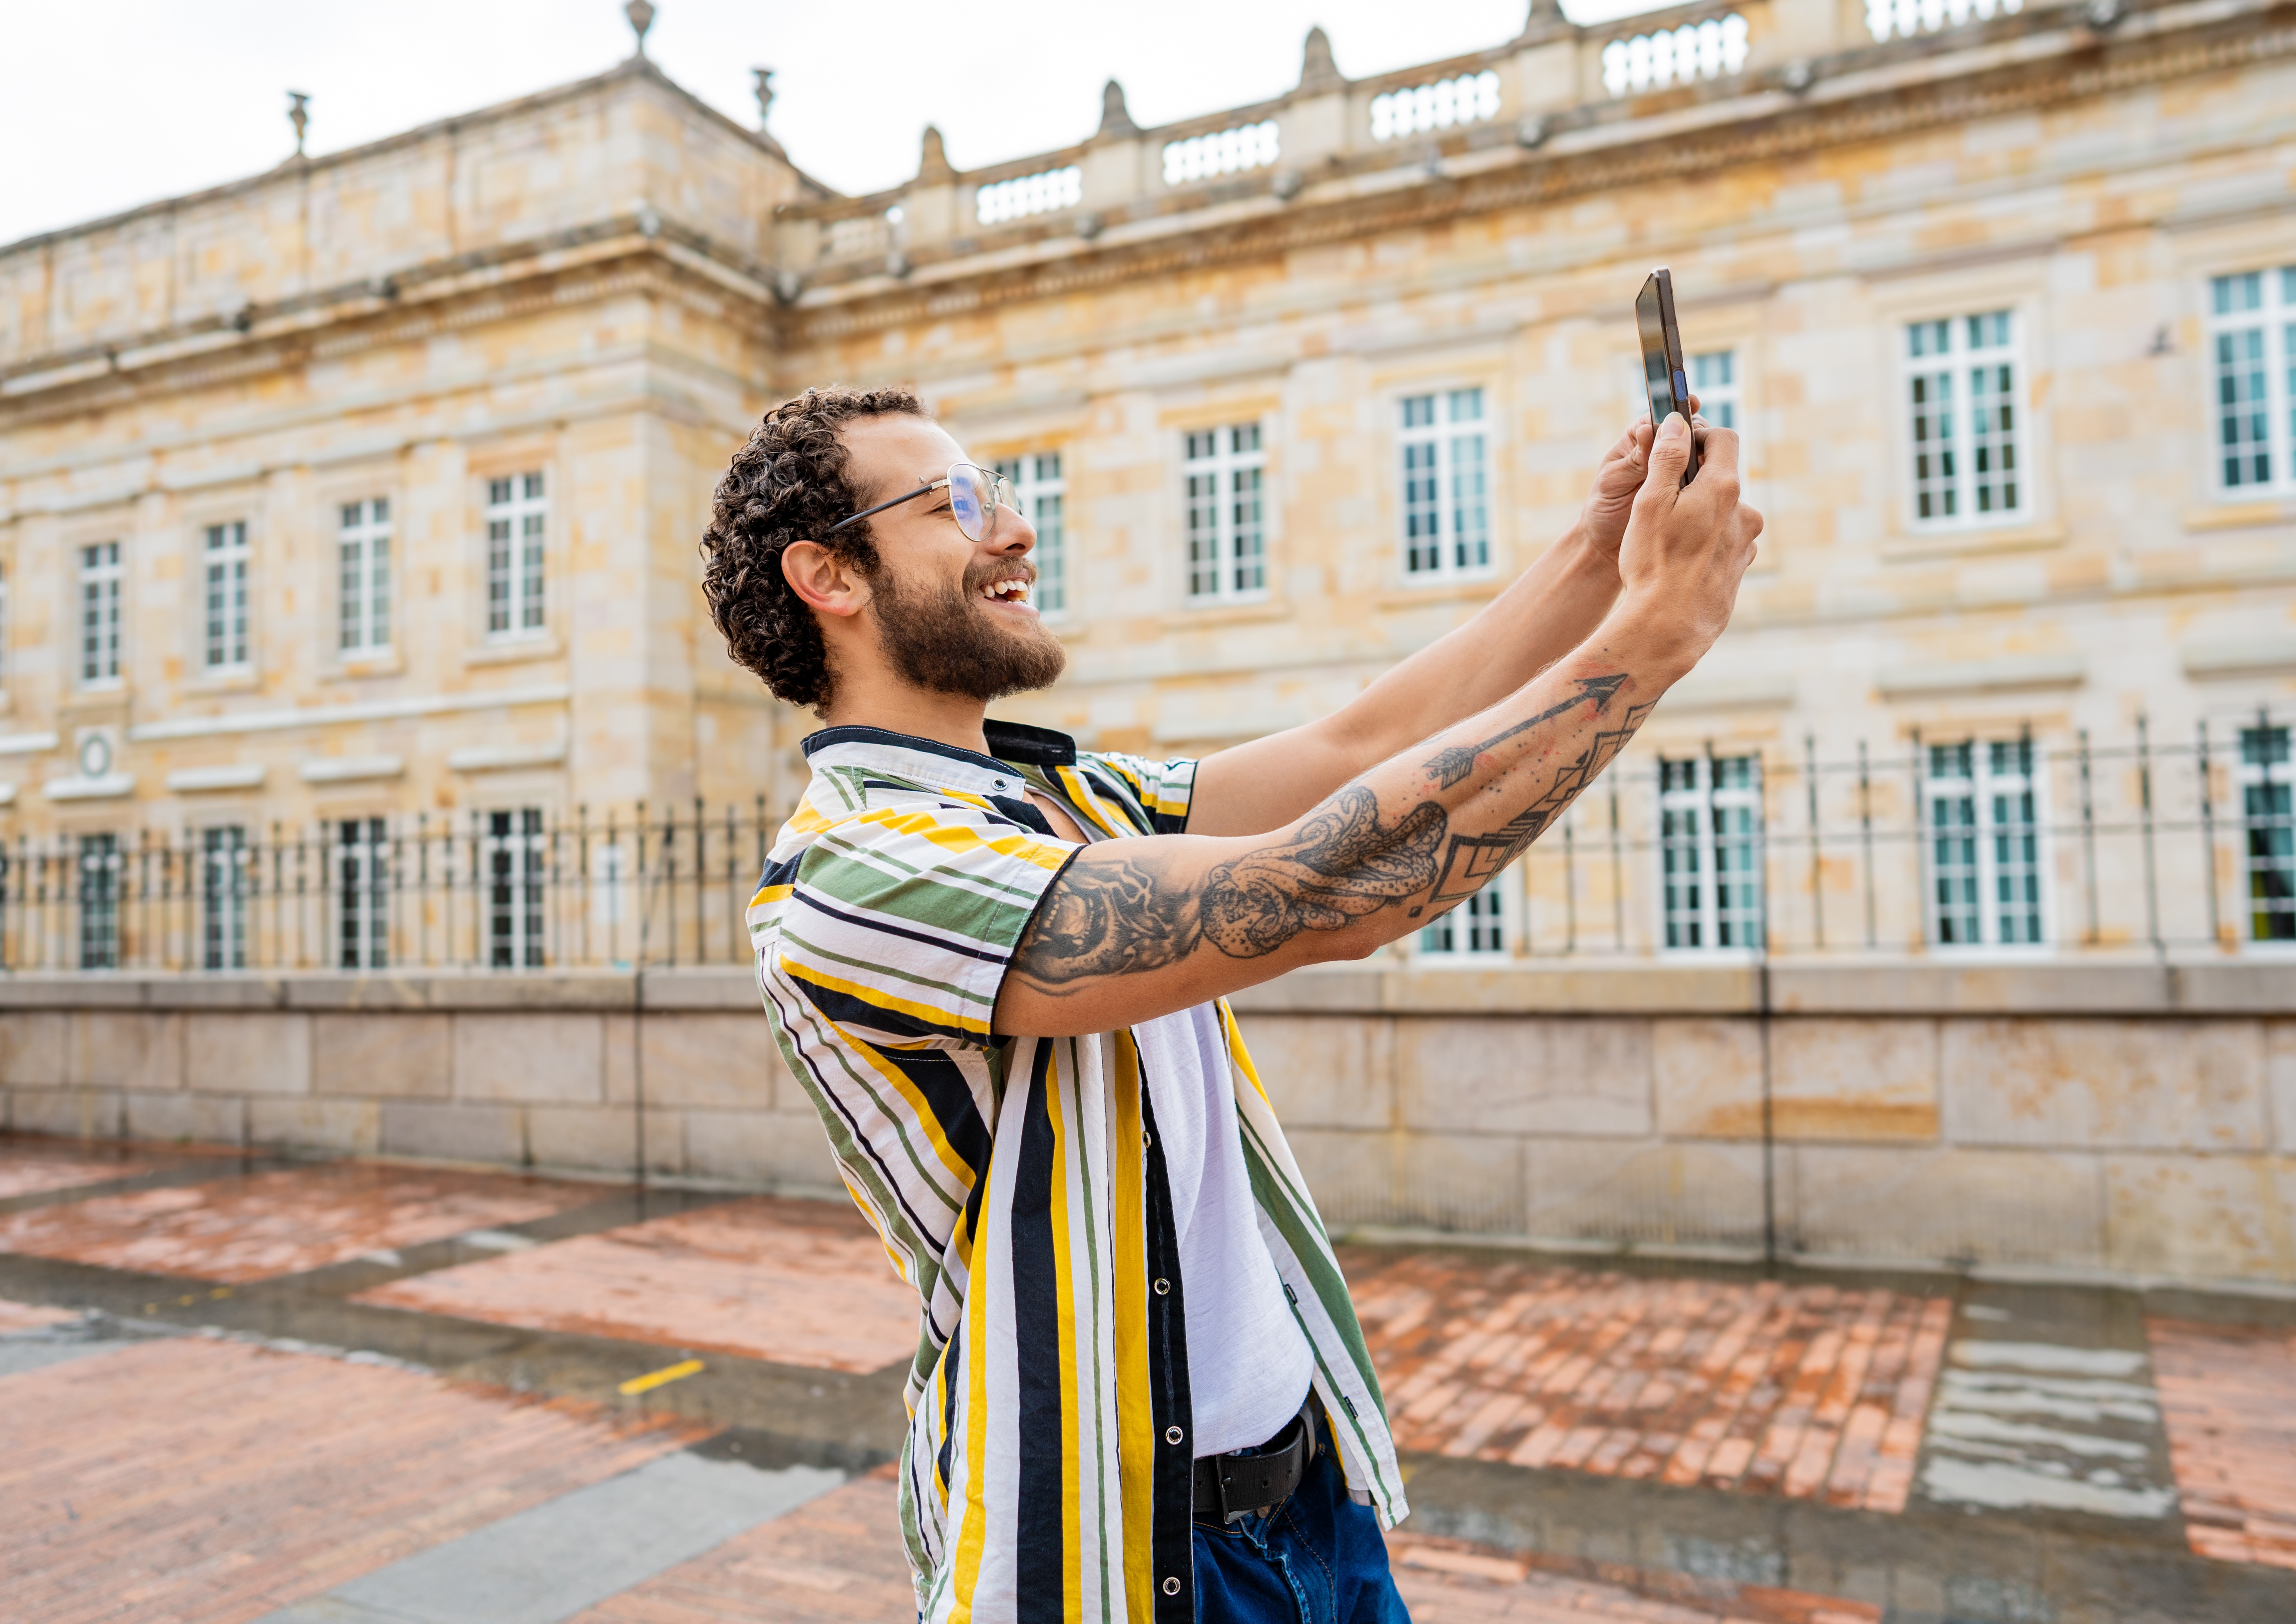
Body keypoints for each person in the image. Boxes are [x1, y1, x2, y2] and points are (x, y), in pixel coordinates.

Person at [698, 383, 1758, 1624]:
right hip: (1123, 1553)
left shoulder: (1061, 798)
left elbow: (1362, 743)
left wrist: (1598, 545)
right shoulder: (857, 871)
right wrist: (1655, 635)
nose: (1016, 528)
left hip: (1307, 1507)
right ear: (830, 576)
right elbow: (1322, 887)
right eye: (957, 503)